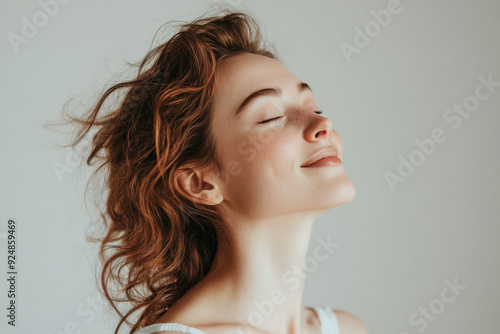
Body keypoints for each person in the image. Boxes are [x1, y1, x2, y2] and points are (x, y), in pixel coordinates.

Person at [63, 6, 368, 334]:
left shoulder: (346, 328)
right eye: (269, 117)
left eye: (313, 107)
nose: (322, 123)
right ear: (200, 183)